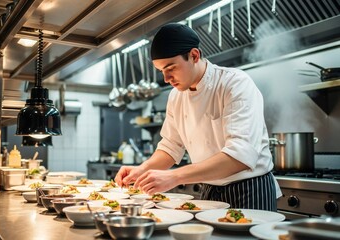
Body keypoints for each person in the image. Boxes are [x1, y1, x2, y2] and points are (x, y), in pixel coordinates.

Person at [115, 23, 281, 211]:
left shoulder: (234, 84)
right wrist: (142, 169)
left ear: (194, 55)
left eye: (171, 68)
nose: (166, 78)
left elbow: (240, 155)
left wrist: (175, 176)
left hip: (250, 189)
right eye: (162, 71)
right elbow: (171, 146)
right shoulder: (176, 96)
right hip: (208, 188)